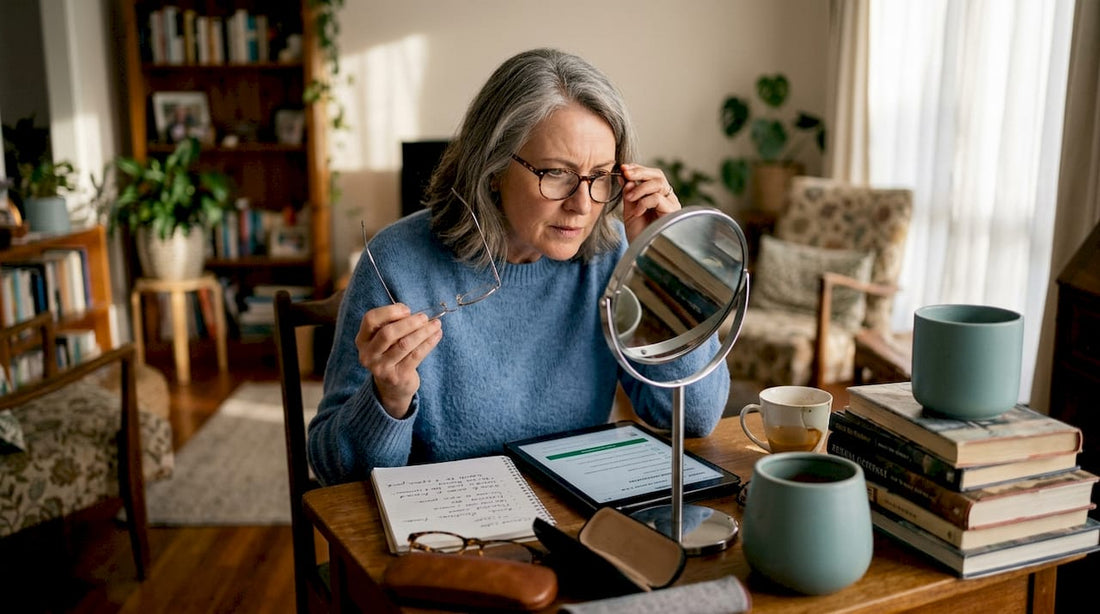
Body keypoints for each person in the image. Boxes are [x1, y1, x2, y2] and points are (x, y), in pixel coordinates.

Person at [308, 48, 730, 486]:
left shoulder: (613, 254)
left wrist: (662, 266)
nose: (582, 206)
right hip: (446, 535)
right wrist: (388, 398)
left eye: (601, 176)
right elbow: (333, 470)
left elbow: (695, 417)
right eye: (556, 173)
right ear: (493, 168)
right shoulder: (396, 263)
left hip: (575, 520)